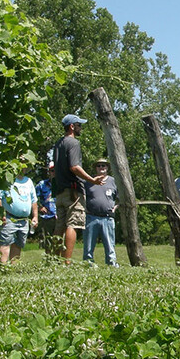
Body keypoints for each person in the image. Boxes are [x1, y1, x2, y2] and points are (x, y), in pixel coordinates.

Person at [52, 114, 106, 264]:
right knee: (73, 224)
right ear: (71, 126)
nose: (81, 128)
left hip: (61, 191)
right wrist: (91, 180)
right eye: (79, 125)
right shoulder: (73, 143)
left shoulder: (58, 143)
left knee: (59, 227)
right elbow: (74, 167)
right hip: (73, 192)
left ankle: (53, 259)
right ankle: (66, 262)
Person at [0, 157, 38, 264]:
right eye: (20, 163)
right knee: (5, 244)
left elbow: (34, 201)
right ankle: (3, 267)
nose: (23, 166)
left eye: (25, 163)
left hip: (23, 220)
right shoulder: (8, 179)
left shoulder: (29, 182)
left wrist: (35, 216)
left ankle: (14, 268)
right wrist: (0, 213)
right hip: (9, 217)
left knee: (18, 244)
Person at [83, 158, 119, 266]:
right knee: (88, 245)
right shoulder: (89, 181)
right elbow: (82, 196)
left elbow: (120, 198)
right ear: (95, 168)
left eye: (103, 165)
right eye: (99, 165)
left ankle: (112, 264)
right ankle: (88, 264)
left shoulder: (113, 181)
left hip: (108, 218)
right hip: (91, 217)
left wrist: (115, 208)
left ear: (107, 168)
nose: (101, 167)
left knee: (110, 245)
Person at [34, 161, 57, 254]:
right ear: (49, 172)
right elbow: (33, 198)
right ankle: (48, 259)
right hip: (47, 216)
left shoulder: (62, 184)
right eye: (52, 171)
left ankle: (58, 260)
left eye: (56, 171)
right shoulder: (41, 184)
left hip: (59, 216)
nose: (54, 173)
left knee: (59, 240)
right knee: (47, 240)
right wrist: (40, 207)